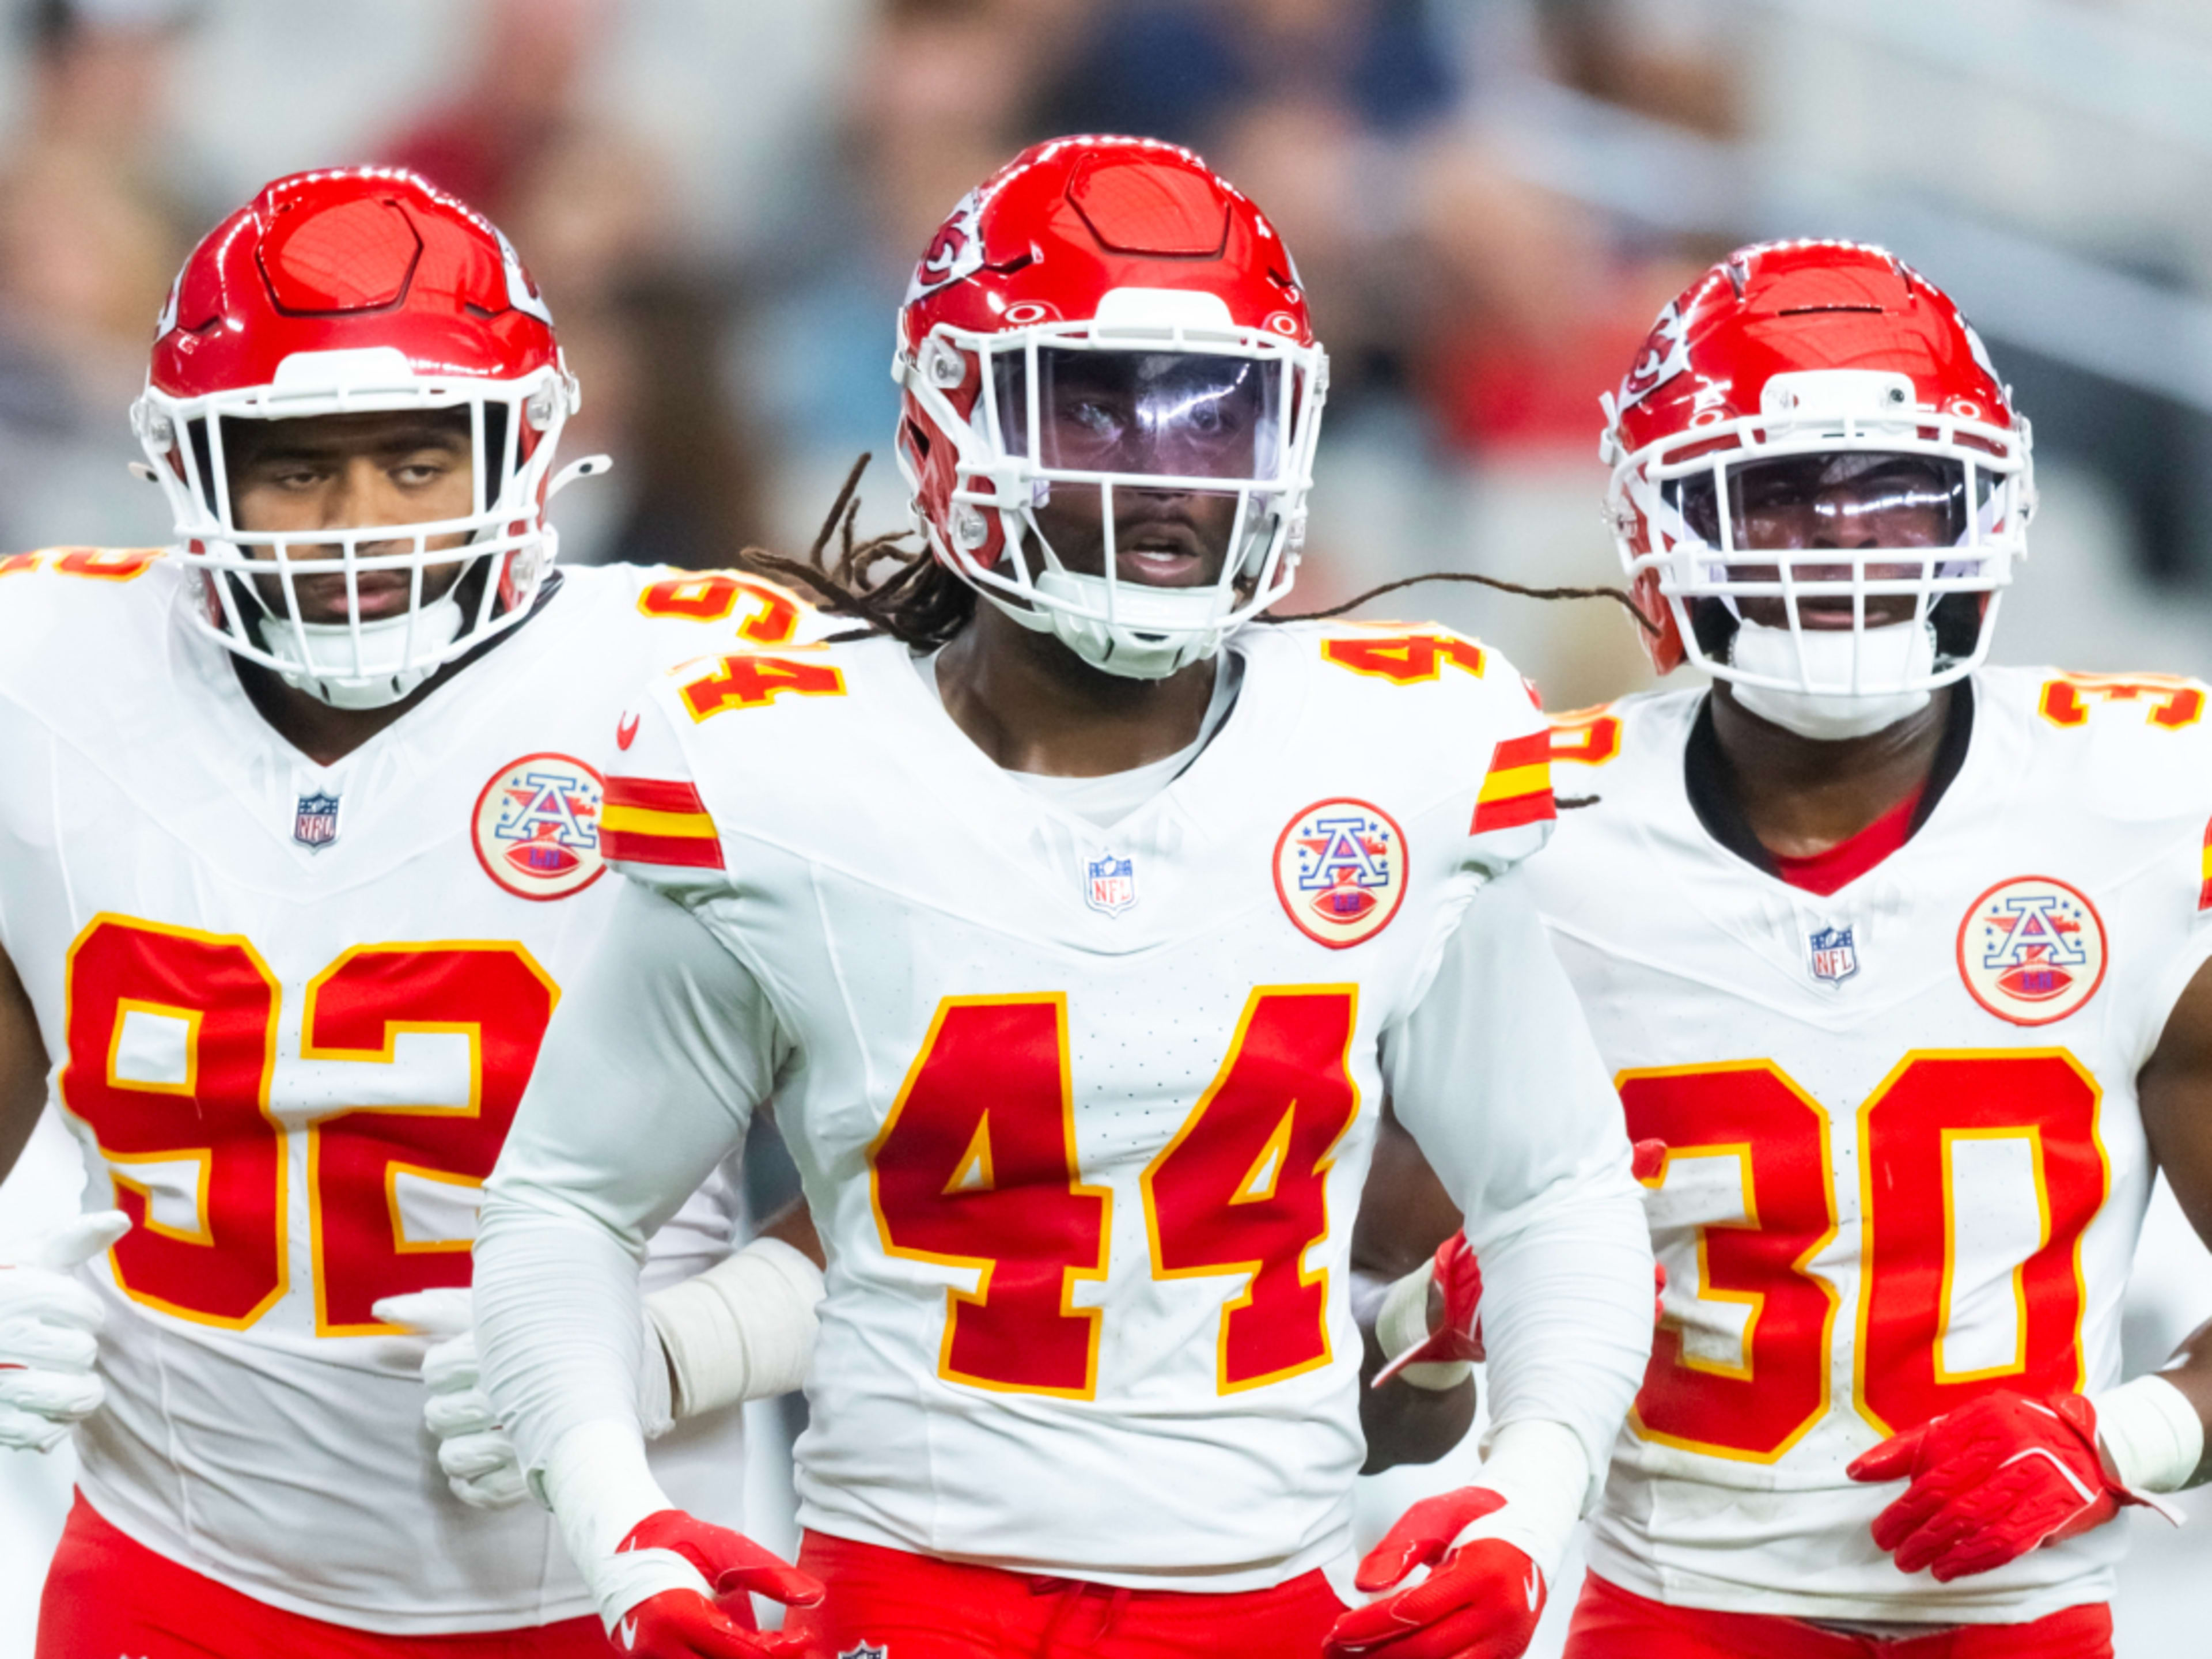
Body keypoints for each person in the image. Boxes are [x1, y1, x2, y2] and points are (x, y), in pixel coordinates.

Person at [470, 134, 1656, 1659]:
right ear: (947, 426)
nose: (1163, 466)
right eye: (1093, 403)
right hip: (904, 1597)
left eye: (1215, 409)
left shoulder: (1403, 747)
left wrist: (1532, 1490)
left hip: (1271, 1603)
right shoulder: (785, 770)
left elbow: (1557, 1188)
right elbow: (567, 1201)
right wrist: (618, 1525)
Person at [0, 168, 828, 1657]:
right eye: (295, 467)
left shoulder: (718, 689)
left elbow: (994, 1153)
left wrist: (672, 1351)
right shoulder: (44, 667)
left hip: (613, 1568)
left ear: (523, 450)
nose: (356, 526)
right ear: (192, 469)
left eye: (412, 460)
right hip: (173, 1573)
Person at [1386, 238, 2212, 1658]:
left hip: (2021, 1625)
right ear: (1663, 525)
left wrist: (2125, 1436)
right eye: (1776, 495)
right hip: (1673, 1619)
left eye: (1896, 495)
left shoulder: (2137, 809)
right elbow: (1343, 1400)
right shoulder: (1534, 830)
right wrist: (1444, 1320)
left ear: (1987, 507)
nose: (1839, 545)